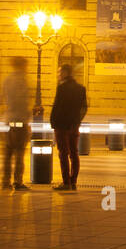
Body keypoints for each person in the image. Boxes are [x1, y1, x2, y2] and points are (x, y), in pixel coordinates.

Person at [49, 63, 88, 192]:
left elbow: (57, 106)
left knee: (63, 154)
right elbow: (84, 108)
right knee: (74, 153)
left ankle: (66, 182)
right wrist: (77, 121)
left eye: (60, 72)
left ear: (66, 73)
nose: (58, 75)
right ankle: (73, 181)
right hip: (74, 126)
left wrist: (53, 121)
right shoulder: (81, 88)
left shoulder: (61, 88)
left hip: (61, 125)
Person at [1, 56, 31, 190]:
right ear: (22, 65)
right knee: (19, 153)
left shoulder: (7, 80)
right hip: (20, 121)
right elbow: (23, 101)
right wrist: (28, 115)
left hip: (8, 121)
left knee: (7, 154)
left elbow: (1, 99)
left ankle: (5, 181)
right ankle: (18, 181)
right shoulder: (22, 80)